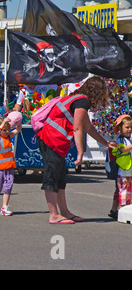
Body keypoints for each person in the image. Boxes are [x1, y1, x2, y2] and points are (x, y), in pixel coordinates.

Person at [36, 76, 117, 224]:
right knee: (52, 177)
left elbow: (88, 127)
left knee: (60, 178)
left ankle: (65, 212)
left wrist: (106, 143)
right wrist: (81, 152)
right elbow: (78, 128)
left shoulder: (77, 99)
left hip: (55, 140)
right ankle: (53, 215)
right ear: (97, 92)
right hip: (51, 139)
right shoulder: (82, 101)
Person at [112, 114, 132, 212]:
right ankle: (122, 211)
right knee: (124, 194)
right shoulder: (119, 140)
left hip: (129, 171)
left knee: (125, 193)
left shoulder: (130, 139)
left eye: (131, 127)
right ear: (120, 128)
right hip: (123, 172)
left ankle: (114, 210)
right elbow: (123, 149)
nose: (129, 129)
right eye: (127, 127)